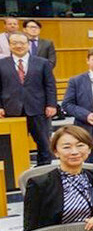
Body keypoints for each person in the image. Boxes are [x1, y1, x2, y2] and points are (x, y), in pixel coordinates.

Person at [23, 125, 93, 231]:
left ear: (89, 149)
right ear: (56, 152)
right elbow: (30, 227)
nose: (74, 152)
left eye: (80, 145)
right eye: (66, 147)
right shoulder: (40, 183)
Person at [0, 32, 56, 165]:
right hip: (11, 110)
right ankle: (17, 173)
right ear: (9, 45)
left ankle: (44, 170)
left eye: (22, 43)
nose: (19, 46)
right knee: (14, 145)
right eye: (14, 43)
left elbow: (50, 85)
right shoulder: (1, 64)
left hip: (38, 109)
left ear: (28, 44)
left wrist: (51, 105)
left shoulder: (42, 63)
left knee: (43, 142)